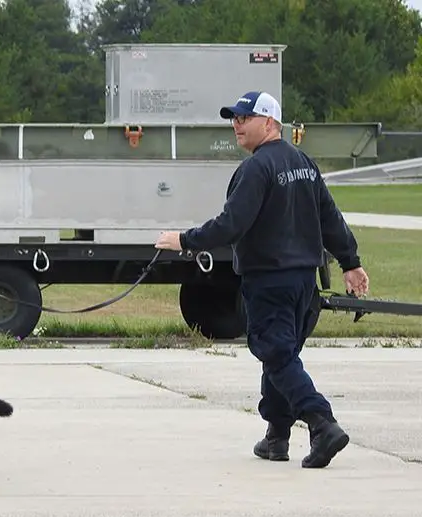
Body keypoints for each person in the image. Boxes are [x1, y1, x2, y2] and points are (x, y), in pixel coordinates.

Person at [155, 90, 370, 468]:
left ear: (269, 122)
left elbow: (231, 223)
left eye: (244, 118)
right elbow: (330, 218)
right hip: (305, 284)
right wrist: (350, 262)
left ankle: (322, 424)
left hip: (270, 283)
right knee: (280, 357)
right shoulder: (303, 163)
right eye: (234, 119)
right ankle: (277, 436)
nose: (236, 125)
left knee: (276, 354)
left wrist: (184, 240)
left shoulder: (256, 169)